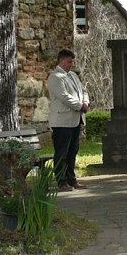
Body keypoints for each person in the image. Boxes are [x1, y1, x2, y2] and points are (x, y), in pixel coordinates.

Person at [47, 49, 90, 192]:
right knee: (62, 152)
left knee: (73, 151)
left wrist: (86, 101)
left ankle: (72, 179)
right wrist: (80, 106)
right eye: (69, 61)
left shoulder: (72, 76)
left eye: (72, 61)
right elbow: (64, 96)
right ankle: (61, 181)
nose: (71, 64)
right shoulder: (55, 77)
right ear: (61, 61)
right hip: (62, 121)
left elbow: (83, 90)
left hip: (75, 119)